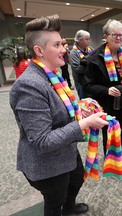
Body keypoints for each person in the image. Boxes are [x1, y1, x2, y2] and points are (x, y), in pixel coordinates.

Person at [9, 15, 109, 216]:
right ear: (39, 51)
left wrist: (81, 109)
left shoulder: (51, 75)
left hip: (67, 152)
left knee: (77, 180)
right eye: (57, 45)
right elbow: (42, 141)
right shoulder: (29, 85)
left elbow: (59, 109)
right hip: (47, 165)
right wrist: (85, 123)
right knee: (54, 202)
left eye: (61, 43)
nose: (64, 48)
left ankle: (69, 209)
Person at [85, 19, 122, 165]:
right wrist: (106, 90)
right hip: (107, 102)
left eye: (120, 35)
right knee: (109, 131)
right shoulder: (95, 58)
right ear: (105, 36)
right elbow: (89, 86)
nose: (119, 38)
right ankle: (110, 157)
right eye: (115, 35)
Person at [70, 30, 93, 99]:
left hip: (91, 80)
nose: (89, 41)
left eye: (89, 39)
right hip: (81, 83)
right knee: (84, 101)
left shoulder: (90, 49)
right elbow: (77, 69)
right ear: (79, 40)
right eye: (86, 39)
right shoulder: (74, 53)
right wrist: (90, 65)